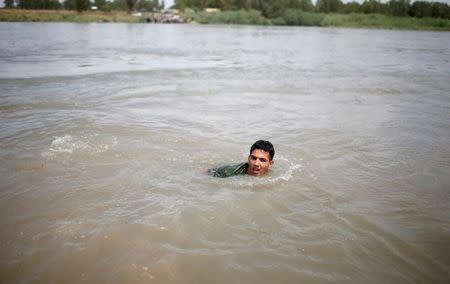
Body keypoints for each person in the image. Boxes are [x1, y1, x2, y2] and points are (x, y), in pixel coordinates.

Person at [208, 140, 275, 178]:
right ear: (248, 158)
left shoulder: (274, 175)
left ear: (270, 164)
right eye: (253, 158)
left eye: (262, 160)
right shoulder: (227, 172)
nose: (256, 163)